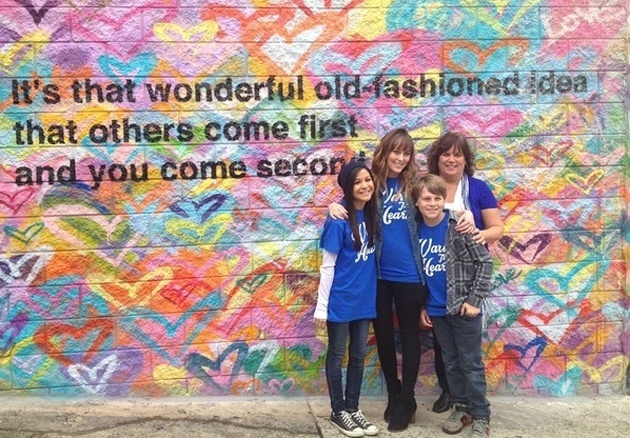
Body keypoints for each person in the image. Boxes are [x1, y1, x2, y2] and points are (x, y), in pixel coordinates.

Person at [329, 129, 476, 432]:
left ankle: (407, 399)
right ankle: (394, 394)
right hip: (378, 275)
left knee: (410, 337)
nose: (400, 157)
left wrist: (466, 215)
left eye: (406, 153)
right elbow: (351, 200)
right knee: (383, 336)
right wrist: (333, 206)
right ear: (384, 153)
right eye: (396, 151)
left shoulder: (413, 185)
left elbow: (436, 204)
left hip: (410, 275)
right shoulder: (374, 184)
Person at [425, 132, 504, 414]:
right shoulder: (428, 187)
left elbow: (497, 228)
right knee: (445, 350)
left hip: (466, 284)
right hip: (437, 285)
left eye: (458, 155)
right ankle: (451, 394)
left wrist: (478, 234)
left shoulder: (478, 189)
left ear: (466, 160)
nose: (451, 159)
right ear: (437, 159)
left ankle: (476, 409)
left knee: (467, 354)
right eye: (446, 154)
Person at [414, 174, 493, 438]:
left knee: (470, 363)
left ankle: (481, 415)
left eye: (437, 198)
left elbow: (485, 262)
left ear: (444, 201)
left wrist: (474, 300)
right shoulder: (415, 231)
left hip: (463, 308)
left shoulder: (458, 227)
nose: (432, 203)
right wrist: (424, 305)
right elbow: (422, 273)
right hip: (437, 310)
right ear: (417, 202)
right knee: (450, 363)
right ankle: (461, 408)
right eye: (426, 198)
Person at [314, 158, 380, 437]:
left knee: (359, 355)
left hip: (364, 300)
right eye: (357, 182)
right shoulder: (338, 220)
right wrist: (322, 307)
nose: (365, 186)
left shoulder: (373, 213)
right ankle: (338, 410)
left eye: (368, 180)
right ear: (348, 187)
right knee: (337, 354)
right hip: (340, 300)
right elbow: (327, 266)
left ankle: (353, 409)